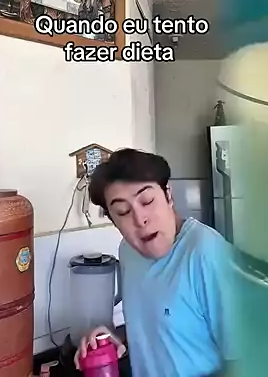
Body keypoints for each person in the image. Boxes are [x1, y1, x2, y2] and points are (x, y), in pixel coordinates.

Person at [74, 149, 236, 377]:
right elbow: (161, 330)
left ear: (168, 195)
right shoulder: (128, 251)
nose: (140, 219)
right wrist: (116, 340)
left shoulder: (207, 254)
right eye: (123, 211)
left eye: (147, 201)